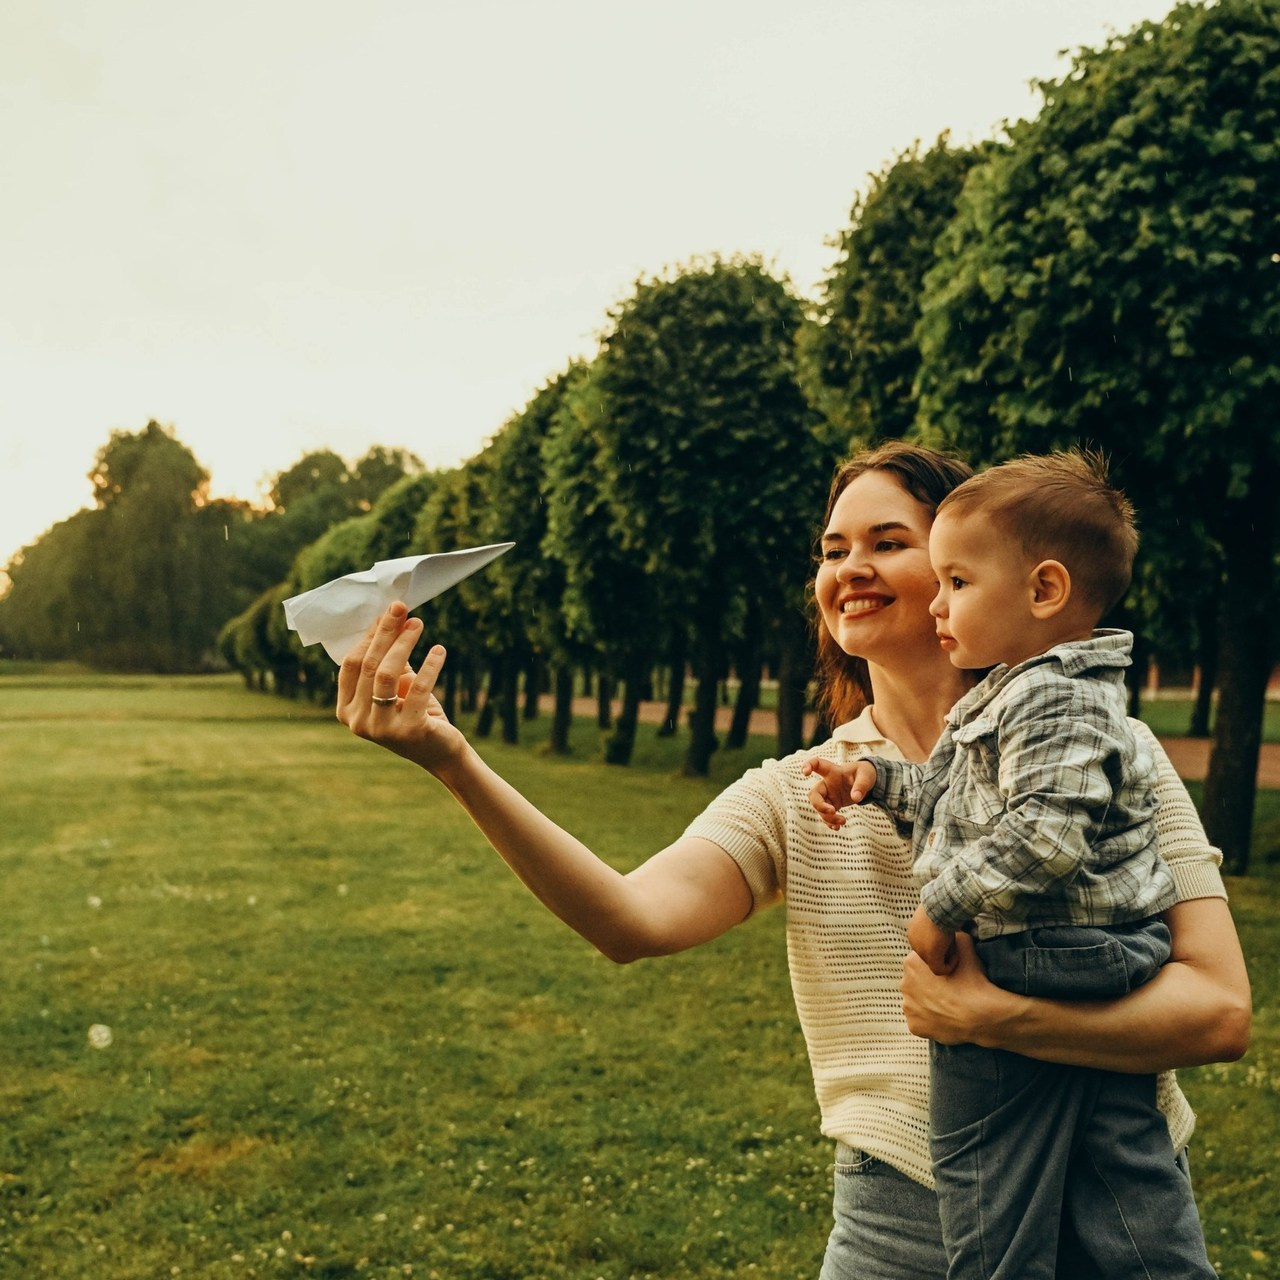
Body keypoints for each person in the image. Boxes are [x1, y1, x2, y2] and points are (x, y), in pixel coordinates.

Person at [335, 442, 1250, 1279]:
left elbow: (1216, 1012)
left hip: (1115, 1209)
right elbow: (628, 920)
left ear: (972, 569)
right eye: (831, 549)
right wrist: (454, 762)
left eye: (888, 542)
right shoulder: (801, 790)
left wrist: (993, 1019)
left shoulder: (1103, 748)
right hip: (894, 1233)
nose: (849, 568)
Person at [804, 451, 1213, 1278]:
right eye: (833, 547)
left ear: (1044, 590)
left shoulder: (1052, 697)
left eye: (955, 581)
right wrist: (875, 779)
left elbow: (1045, 836)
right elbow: (962, 797)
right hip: (1096, 958)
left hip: (1048, 952)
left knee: (980, 1166)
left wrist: (941, 906)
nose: (939, 602)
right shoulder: (1019, 696)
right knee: (1124, 1161)